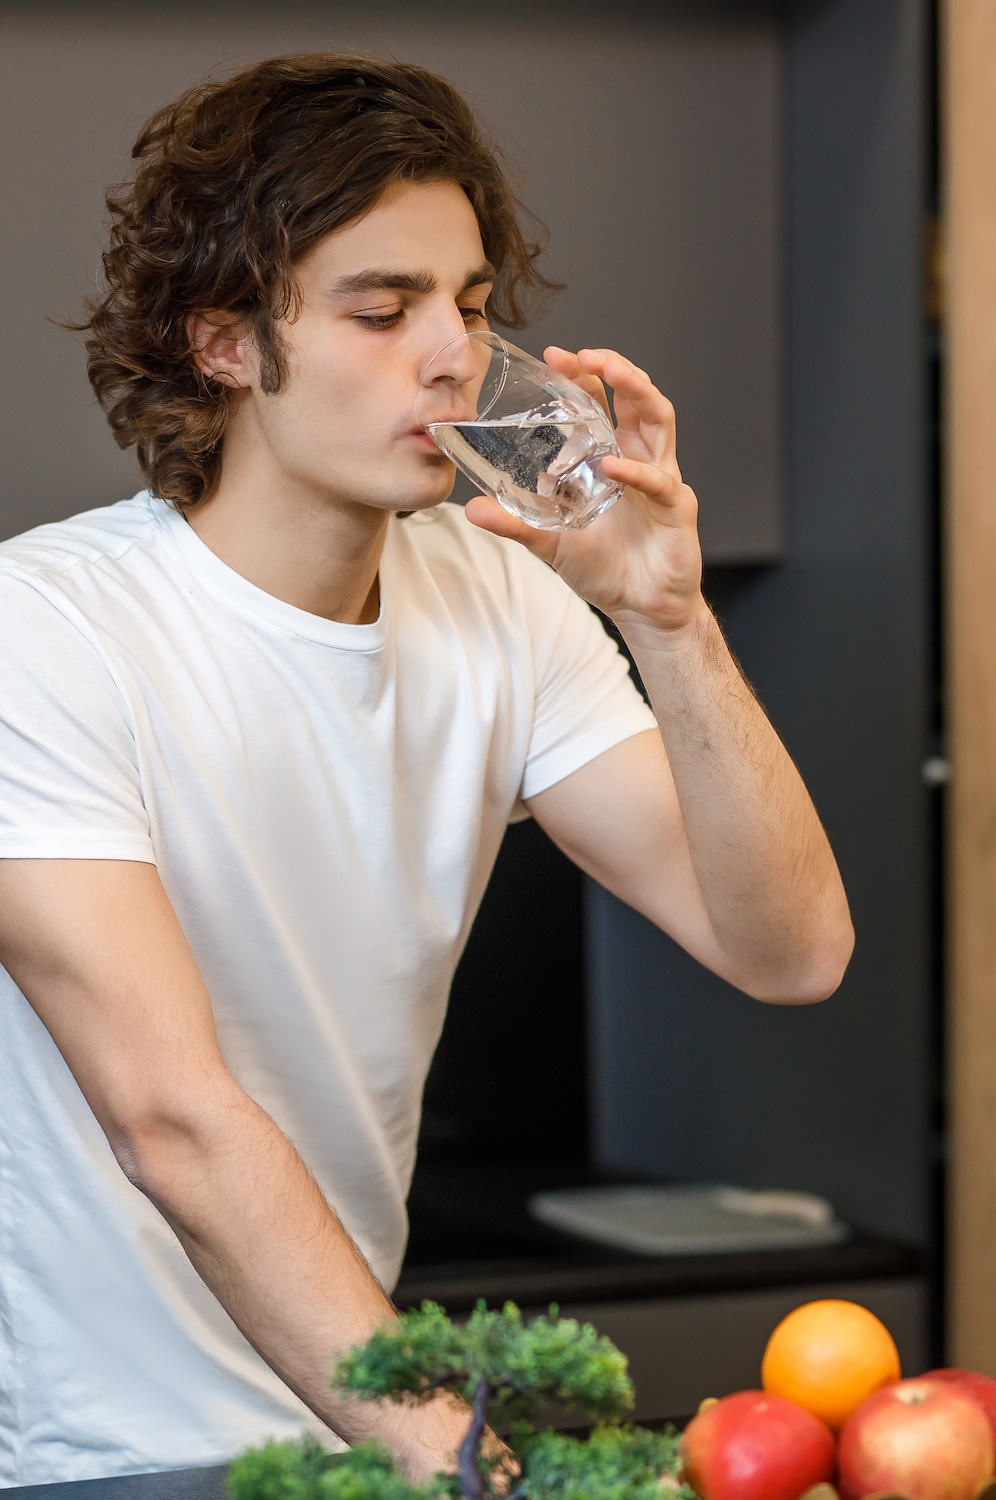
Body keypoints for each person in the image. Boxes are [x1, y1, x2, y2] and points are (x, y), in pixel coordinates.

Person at [0, 53, 854, 1489]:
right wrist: (463, 1457)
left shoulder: (500, 599)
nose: (453, 352)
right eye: (380, 310)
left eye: (467, 303)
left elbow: (789, 949)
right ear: (223, 344)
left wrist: (671, 620)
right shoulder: (47, 630)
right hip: (96, 1449)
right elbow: (174, 1121)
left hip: (352, 1427)